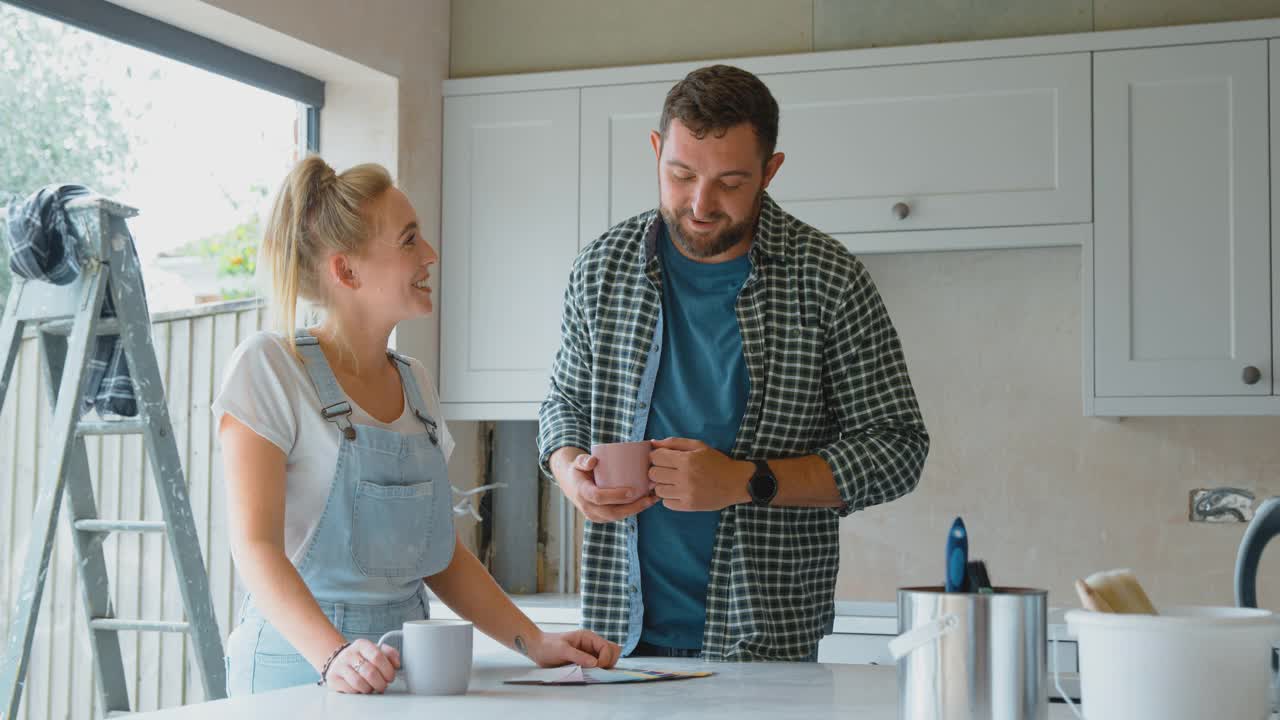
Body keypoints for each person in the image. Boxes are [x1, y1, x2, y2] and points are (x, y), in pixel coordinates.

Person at [538, 65, 930, 662]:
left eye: (730, 182)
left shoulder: (829, 280)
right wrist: (568, 470)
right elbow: (563, 402)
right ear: (656, 150)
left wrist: (747, 482)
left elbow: (898, 448)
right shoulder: (601, 268)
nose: (700, 203)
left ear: (770, 171)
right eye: (681, 174)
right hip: (618, 640)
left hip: (765, 641)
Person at [215, 156, 620, 695]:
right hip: (296, 671)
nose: (429, 254)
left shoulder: (416, 384)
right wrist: (333, 655)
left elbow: (440, 555)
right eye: (409, 240)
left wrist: (534, 641)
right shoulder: (270, 366)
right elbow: (254, 546)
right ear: (346, 271)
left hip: (402, 671)